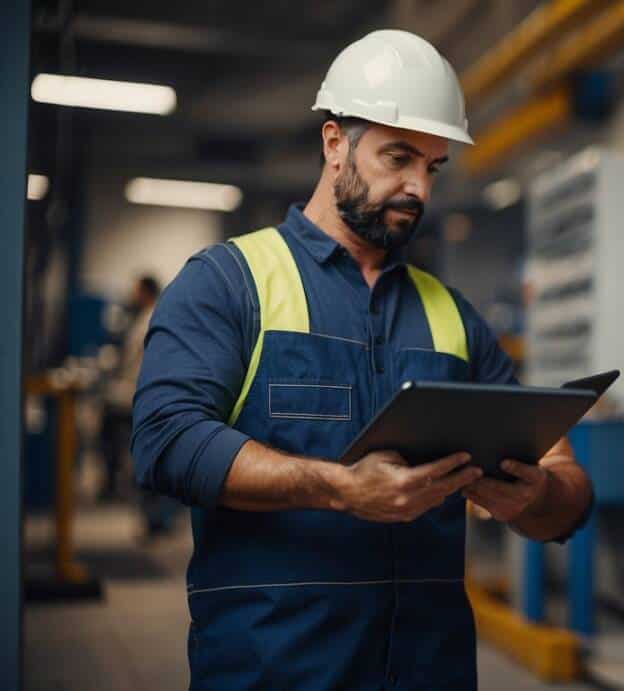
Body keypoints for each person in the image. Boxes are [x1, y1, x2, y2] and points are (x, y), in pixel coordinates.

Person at [132, 30, 593, 691]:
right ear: (333, 143)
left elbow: (567, 490)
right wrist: (338, 488)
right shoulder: (230, 282)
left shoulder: (453, 318)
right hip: (273, 672)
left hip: (429, 671)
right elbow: (164, 440)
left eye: (432, 166)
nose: (417, 189)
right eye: (398, 156)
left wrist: (535, 495)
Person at [100, 275, 158, 503]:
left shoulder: (150, 319)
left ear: (146, 292)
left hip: (137, 392)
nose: (133, 295)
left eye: (136, 291)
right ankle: (113, 480)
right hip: (133, 389)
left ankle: (112, 482)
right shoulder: (142, 317)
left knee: (108, 422)